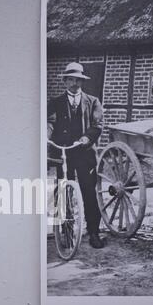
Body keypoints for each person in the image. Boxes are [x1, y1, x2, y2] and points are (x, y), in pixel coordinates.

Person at [47, 62, 105, 249]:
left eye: (78, 80)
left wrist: (86, 139)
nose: (74, 83)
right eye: (70, 79)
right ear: (65, 81)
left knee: (89, 191)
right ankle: (66, 230)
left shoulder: (93, 101)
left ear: (82, 82)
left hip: (84, 153)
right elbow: (49, 122)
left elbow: (97, 125)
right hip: (63, 152)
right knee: (63, 190)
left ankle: (94, 232)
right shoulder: (55, 102)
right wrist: (46, 137)